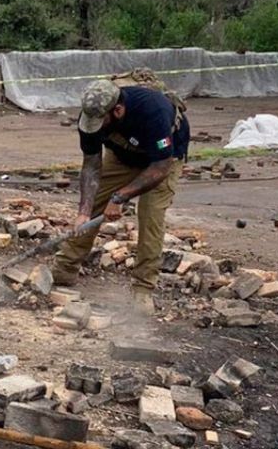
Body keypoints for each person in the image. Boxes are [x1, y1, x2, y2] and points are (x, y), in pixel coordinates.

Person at [51, 78, 190, 314]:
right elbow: (91, 166)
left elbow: (159, 167)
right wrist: (84, 212)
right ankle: (64, 269)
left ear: (118, 110)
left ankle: (143, 289)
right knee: (94, 202)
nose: (95, 126)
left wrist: (119, 198)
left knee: (150, 215)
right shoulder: (90, 118)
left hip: (162, 161)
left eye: (101, 122)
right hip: (123, 155)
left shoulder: (152, 111)